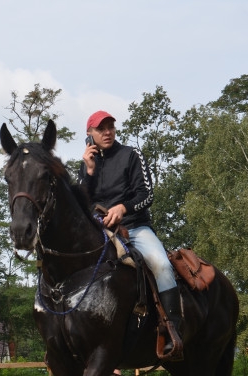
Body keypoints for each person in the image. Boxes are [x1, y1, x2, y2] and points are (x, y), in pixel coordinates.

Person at [78, 110, 182, 359]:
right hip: (100, 234)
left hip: (135, 228)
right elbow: (82, 202)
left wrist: (123, 208)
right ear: (89, 135)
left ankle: (174, 333)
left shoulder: (131, 155)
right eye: (101, 129)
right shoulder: (86, 164)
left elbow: (147, 194)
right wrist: (89, 172)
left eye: (110, 127)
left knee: (162, 266)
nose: (107, 132)